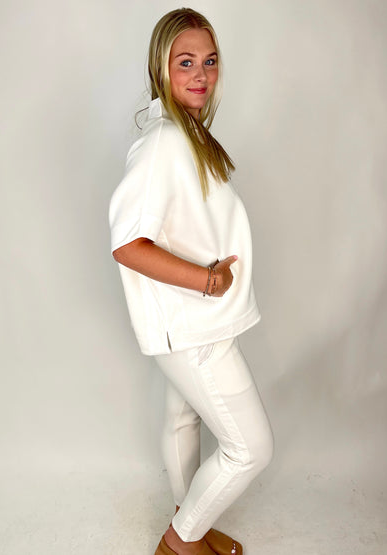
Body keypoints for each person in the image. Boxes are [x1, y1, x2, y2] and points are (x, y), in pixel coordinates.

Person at [109, 8, 274, 555]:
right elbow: (128, 244)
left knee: (183, 418)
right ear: (161, 67)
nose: (201, 74)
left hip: (193, 322)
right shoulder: (163, 143)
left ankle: (190, 517)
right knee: (251, 449)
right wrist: (207, 281)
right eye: (186, 62)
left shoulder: (187, 133)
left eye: (209, 60)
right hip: (192, 326)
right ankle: (180, 543)